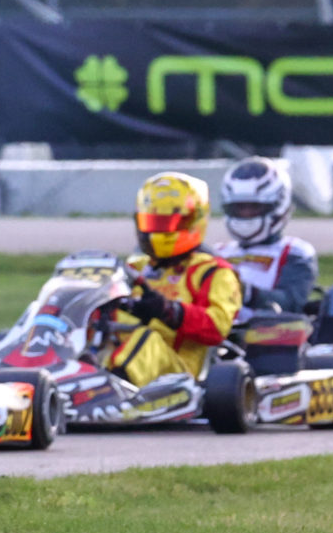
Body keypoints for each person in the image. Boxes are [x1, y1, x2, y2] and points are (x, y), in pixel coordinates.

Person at [108, 171, 242, 387]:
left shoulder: (213, 272)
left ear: (193, 221)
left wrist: (170, 311)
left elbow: (217, 328)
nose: (159, 230)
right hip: (124, 356)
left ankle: (105, 387)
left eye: (168, 223)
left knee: (145, 340)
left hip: (179, 375)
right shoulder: (133, 269)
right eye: (152, 222)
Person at [218, 156, 320, 316]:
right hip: (214, 332)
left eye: (254, 207)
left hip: (268, 333)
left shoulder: (295, 252)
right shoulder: (217, 252)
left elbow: (291, 303)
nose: (246, 214)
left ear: (278, 206)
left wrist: (245, 291)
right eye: (239, 208)